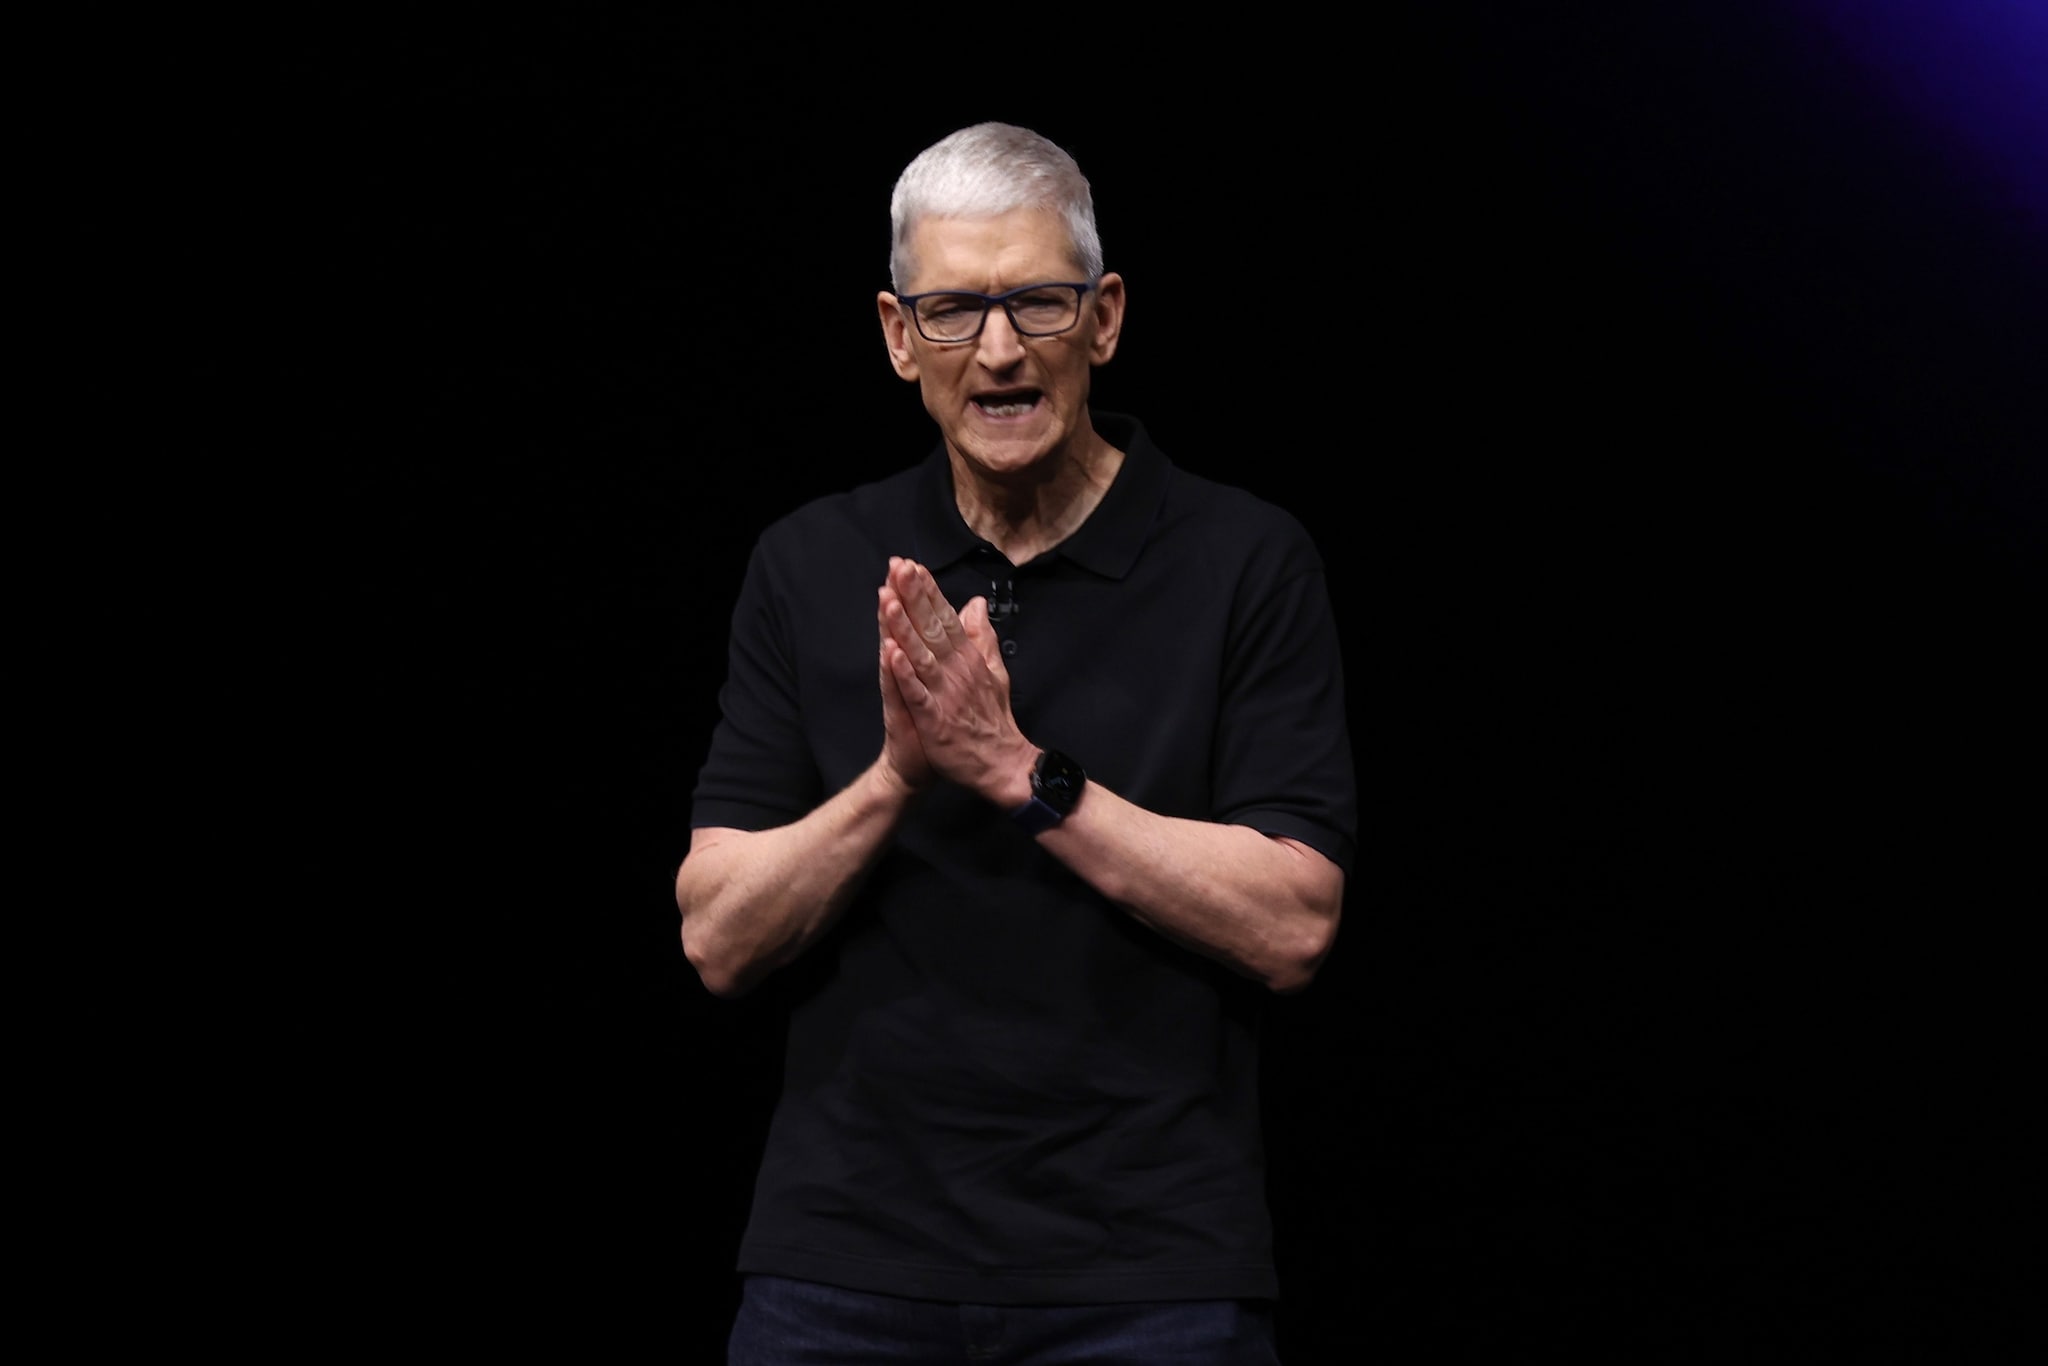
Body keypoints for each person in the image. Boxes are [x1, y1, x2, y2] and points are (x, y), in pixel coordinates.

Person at [675, 120, 1357, 1364]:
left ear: (1103, 318)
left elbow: (1294, 922)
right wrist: (899, 774)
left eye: (1036, 301)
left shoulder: (1245, 560)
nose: (997, 350)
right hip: (841, 1271)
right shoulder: (809, 561)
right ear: (898, 336)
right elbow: (717, 935)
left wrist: (1015, 772)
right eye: (952, 311)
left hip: (1151, 1277)